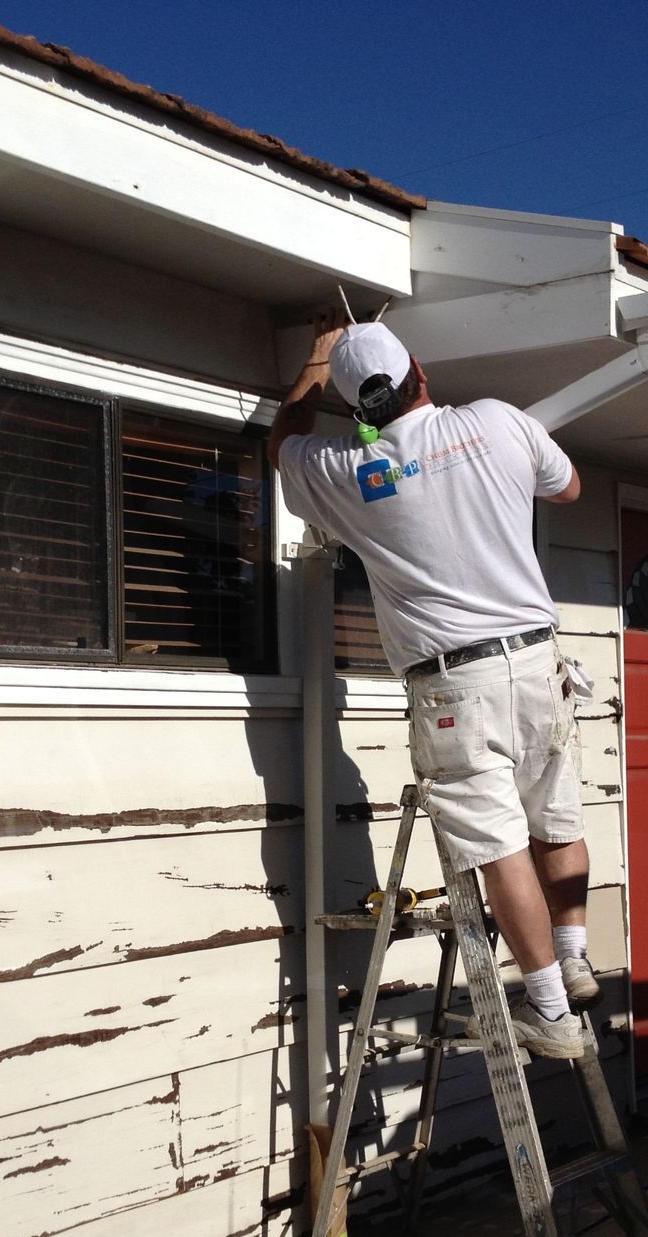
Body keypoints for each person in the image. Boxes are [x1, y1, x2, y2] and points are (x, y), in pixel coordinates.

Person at [270, 319, 595, 1060]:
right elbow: (569, 486)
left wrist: (314, 365)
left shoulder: (351, 471)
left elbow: (281, 441)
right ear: (419, 370)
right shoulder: (497, 422)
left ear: (356, 409)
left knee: (498, 843)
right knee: (554, 812)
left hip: (457, 684)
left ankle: (549, 1009)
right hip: (540, 663)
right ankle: (573, 959)